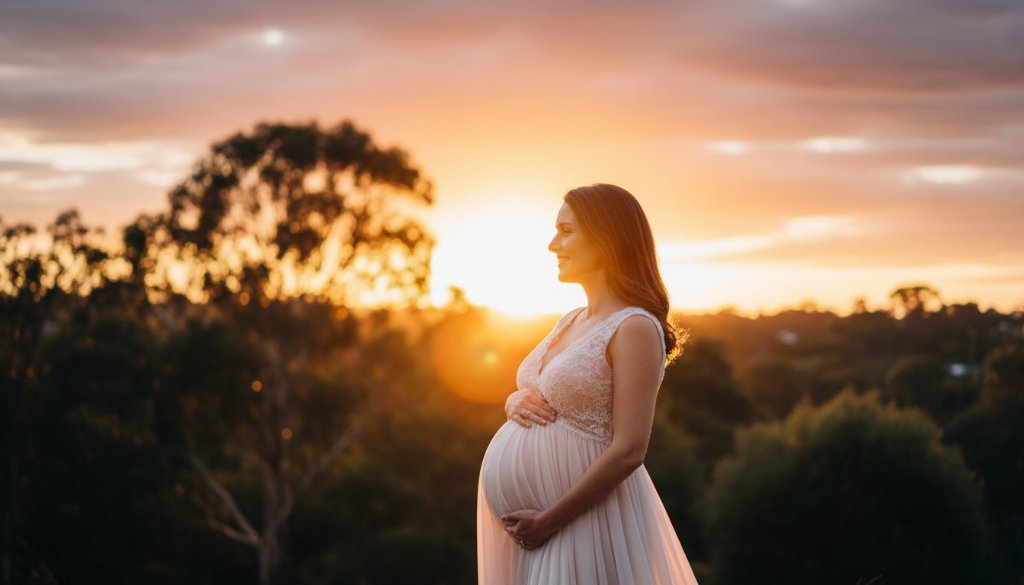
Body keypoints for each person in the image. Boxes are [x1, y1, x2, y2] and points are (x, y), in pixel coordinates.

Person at [477, 184, 700, 584]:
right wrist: (514, 401)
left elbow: (630, 449)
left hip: (583, 522)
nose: (552, 244)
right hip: (536, 530)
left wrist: (551, 519)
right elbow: (550, 393)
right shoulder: (571, 319)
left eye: (565, 231)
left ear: (605, 238)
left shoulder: (635, 327)